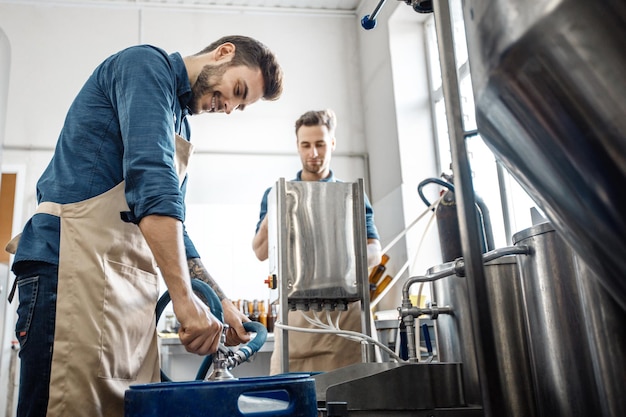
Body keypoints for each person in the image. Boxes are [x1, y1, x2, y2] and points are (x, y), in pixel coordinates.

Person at [5, 35, 283, 417]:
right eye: (236, 90)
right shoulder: (145, 67)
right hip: (70, 271)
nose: (229, 107)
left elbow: (176, 229)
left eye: (240, 105)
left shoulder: (181, 123)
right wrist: (184, 302)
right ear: (223, 52)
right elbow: (151, 182)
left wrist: (219, 304)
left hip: (118, 293)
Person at [252, 109, 382, 374]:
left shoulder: (352, 196)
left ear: (332, 143)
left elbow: (374, 253)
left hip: (347, 321)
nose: (313, 153)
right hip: (298, 320)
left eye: (320, 144)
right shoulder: (276, 195)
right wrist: (276, 206)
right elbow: (260, 251)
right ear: (297, 146)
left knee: (356, 398)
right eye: (306, 145)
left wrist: (335, 261)